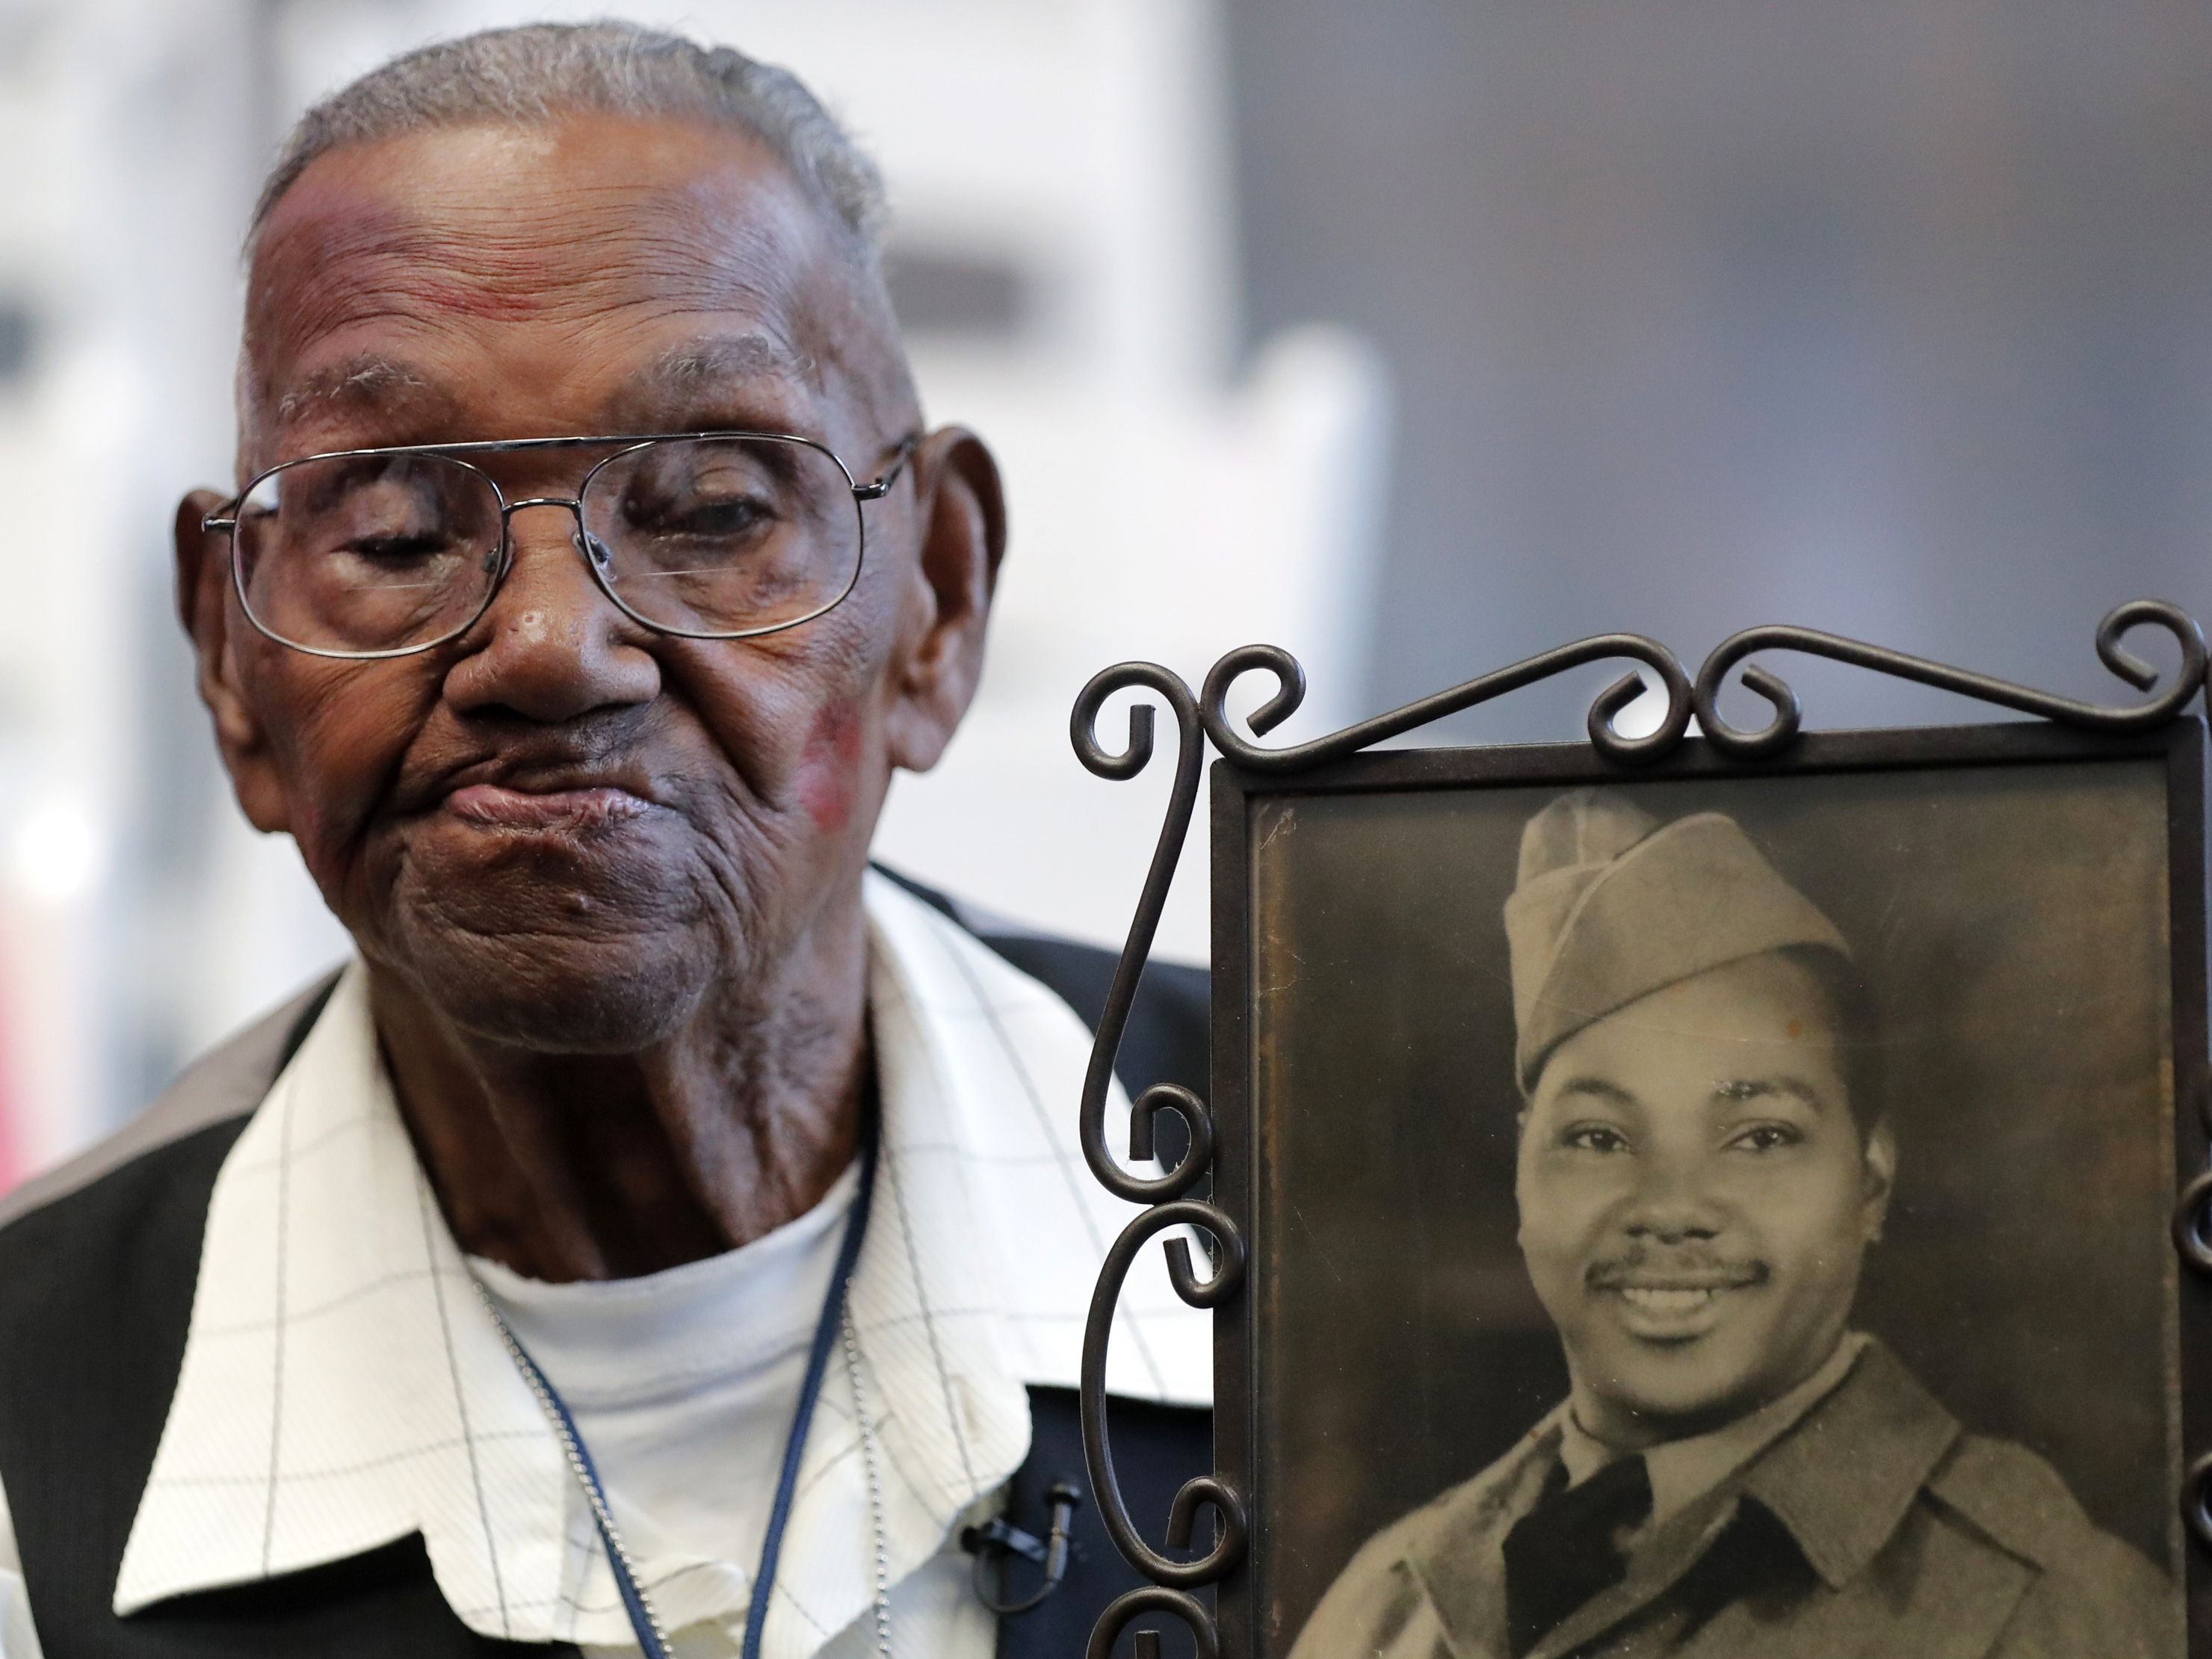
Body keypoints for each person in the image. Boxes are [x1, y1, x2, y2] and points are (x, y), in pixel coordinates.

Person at [0, 23, 1213, 1659]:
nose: (552, 648)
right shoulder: (37, 1437)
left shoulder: (1398, 1203)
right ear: (229, 666)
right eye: (397, 530)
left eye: (712, 508)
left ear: (937, 600)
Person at [1291, 788, 2180, 1659]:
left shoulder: (2050, 1615)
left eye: (1759, 1137)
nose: (1671, 1208)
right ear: (1525, 1174)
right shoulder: (1382, 1606)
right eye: (1598, 1136)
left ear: (1869, 1182)